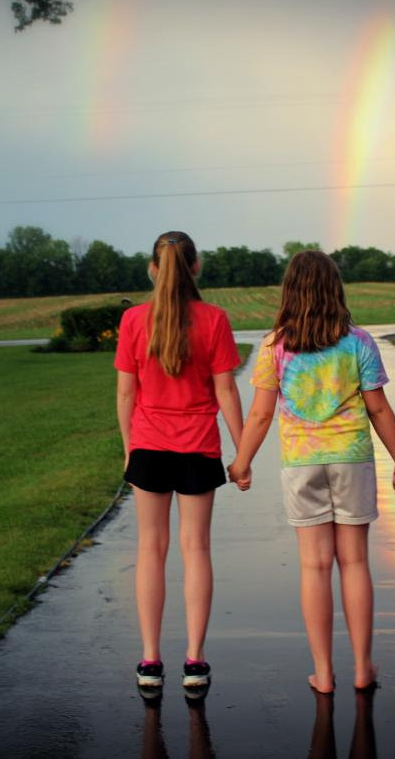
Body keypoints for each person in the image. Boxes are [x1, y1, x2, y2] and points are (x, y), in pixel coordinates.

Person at [227, 250, 395, 694]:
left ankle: (324, 674)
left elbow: (258, 416)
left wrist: (241, 462)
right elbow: (379, 408)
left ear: (289, 291)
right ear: (336, 290)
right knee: (353, 562)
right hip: (351, 459)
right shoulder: (358, 342)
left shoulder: (275, 346)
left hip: (302, 464)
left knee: (314, 566)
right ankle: (361, 667)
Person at [114, 230, 244, 696]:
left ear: (153, 268)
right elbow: (226, 390)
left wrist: (131, 447)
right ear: (196, 267)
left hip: (149, 446)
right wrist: (242, 452)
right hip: (197, 447)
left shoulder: (133, 320)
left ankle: (150, 661)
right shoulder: (214, 319)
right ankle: (195, 661)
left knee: (151, 548)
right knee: (196, 550)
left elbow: (126, 394)